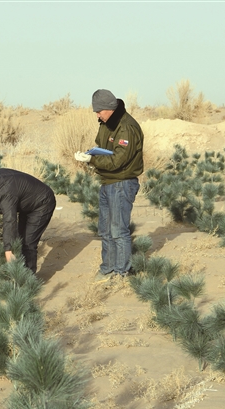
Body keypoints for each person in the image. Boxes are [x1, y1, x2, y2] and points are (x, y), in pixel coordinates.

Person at [74, 89, 144, 278]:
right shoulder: (106, 124)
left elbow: (118, 160)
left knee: (118, 230)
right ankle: (108, 269)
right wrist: (90, 154)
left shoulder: (126, 127)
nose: (97, 115)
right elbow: (102, 147)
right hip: (107, 182)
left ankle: (122, 272)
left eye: (99, 111)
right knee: (105, 230)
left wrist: (92, 161)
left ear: (110, 108)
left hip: (122, 183)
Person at [0, 169, 56, 274]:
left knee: (28, 242)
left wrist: (8, 251)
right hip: (27, 203)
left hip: (42, 202)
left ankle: (28, 280)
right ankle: (19, 272)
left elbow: (9, 220)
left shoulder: (4, 194)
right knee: (20, 239)